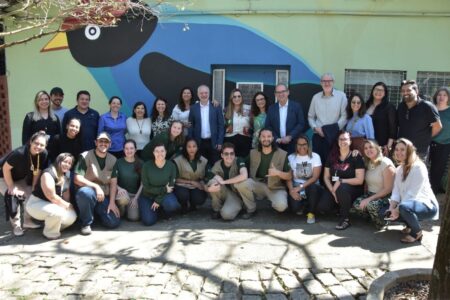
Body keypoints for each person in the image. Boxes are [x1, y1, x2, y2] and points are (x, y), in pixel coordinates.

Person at [385, 138, 439, 243]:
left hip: (427, 206)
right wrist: (391, 208)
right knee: (385, 212)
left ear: (409, 150)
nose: (398, 152)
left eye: (402, 149)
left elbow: (413, 195)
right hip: (409, 204)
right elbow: (396, 192)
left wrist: (397, 210)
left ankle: (416, 233)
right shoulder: (399, 169)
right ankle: (409, 225)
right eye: (396, 149)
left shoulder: (419, 167)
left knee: (404, 208)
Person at [0, 132, 48, 236]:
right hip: (3, 176)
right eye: (36, 143)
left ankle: (27, 221)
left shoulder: (43, 154)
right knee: (13, 196)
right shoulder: (20, 153)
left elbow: (37, 170)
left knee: (31, 194)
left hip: (19, 178)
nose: (38, 147)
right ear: (31, 142)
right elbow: (5, 169)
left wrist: (34, 186)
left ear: (45, 146)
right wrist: (11, 187)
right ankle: (16, 225)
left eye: (42, 145)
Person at [74, 132, 120, 235]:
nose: (103, 143)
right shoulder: (85, 155)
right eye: (100, 141)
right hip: (89, 193)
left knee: (113, 222)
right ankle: (86, 223)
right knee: (85, 193)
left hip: (103, 196)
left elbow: (113, 183)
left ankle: (96, 214)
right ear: (96, 142)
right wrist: (95, 186)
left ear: (110, 144)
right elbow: (77, 178)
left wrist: (112, 203)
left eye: (106, 141)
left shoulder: (113, 159)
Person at [317, 130, 365, 230]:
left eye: (345, 139)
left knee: (342, 189)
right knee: (323, 207)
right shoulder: (332, 156)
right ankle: (340, 208)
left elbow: (360, 180)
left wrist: (341, 181)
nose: (342, 141)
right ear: (337, 141)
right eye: (340, 139)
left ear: (350, 141)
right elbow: (326, 177)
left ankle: (345, 219)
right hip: (334, 188)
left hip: (352, 189)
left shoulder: (356, 156)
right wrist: (332, 190)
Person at [25, 153, 77, 240]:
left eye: (69, 163)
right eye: (65, 162)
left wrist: (68, 204)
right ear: (58, 161)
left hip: (53, 204)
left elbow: (66, 192)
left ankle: (52, 225)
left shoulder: (66, 174)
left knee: (72, 216)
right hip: (36, 203)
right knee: (57, 212)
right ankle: (50, 233)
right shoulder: (48, 173)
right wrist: (66, 205)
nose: (67, 165)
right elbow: (51, 196)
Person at [206, 143, 256, 220]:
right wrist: (215, 177)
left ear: (234, 154)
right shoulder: (218, 164)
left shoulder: (239, 160)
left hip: (238, 195)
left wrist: (224, 182)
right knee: (213, 182)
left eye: (231, 153)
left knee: (227, 216)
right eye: (226, 154)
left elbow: (244, 175)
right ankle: (217, 210)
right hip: (227, 193)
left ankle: (240, 206)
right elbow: (209, 175)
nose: (229, 156)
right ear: (222, 155)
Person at [352, 139, 395, 229]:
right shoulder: (368, 162)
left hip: (386, 196)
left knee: (371, 205)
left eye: (371, 147)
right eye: (366, 148)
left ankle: (382, 222)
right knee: (356, 204)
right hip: (371, 194)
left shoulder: (385, 163)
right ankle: (372, 218)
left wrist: (369, 199)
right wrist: (356, 152)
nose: (368, 150)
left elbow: (388, 189)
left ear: (377, 148)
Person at [248, 128, 291, 213]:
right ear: (259, 138)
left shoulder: (283, 154)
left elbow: (289, 175)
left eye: (269, 136)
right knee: (242, 183)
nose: (266, 139)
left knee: (281, 206)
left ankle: (272, 200)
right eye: (263, 136)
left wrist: (278, 173)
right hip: (259, 185)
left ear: (273, 138)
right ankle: (250, 208)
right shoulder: (252, 153)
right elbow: (240, 163)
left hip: (276, 187)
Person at [308, 73, 347, 164]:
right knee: (318, 163)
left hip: (335, 137)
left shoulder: (341, 96)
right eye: (324, 81)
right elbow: (310, 117)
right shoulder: (315, 97)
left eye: (329, 81)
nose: (326, 83)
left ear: (333, 82)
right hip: (319, 136)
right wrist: (315, 128)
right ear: (321, 83)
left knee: (334, 163)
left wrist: (332, 130)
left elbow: (345, 116)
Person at [397, 80, 442, 160]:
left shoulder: (427, 107)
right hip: (402, 151)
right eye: (403, 91)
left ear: (416, 91)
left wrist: (424, 137)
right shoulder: (401, 107)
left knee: (417, 172)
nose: (405, 93)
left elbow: (437, 126)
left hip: (419, 151)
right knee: (401, 172)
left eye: (408, 90)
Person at [140, 142, 181, 226]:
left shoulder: (171, 166)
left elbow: (171, 186)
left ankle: (162, 209)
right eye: (157, 151)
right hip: (148, 196)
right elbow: (146, 187)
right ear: (153, 153)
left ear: (166, 152)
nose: (160, 153)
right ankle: (156, 211)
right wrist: (164, 189)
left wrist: (158, 199)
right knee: (148, 221)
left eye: (162, 151)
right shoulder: (146, 166)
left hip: (164, 195)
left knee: (172, 204)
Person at [287, 135, 322, 224]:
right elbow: (288, 177)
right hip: (296, 186)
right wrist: (291, 190)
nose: (302, 147)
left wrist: (301, 187)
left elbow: (315, 177)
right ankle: (305, 204)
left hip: (311, 186)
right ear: (296, 145)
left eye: (304, 144)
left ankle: (311, 213)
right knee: (295, 208)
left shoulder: (315, 156)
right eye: (299, 144)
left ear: (308, 145)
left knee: (312, 188)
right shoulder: (291, 157)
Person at [188, 84, 224, 165]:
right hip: (199, 142)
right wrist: (191, 141)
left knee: (215, 164)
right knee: (201, 165)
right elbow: (190, 126)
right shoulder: (193, 108)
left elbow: (221, 125)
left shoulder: (216, 106)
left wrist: (220, 142)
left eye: (206, 93)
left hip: (214, 142)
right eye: (201, 93)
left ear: (209, 93)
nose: (204, 95)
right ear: (198, 94)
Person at [109, 139, 143, 221]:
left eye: (131, 148)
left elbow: (143, 183)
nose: (129, 151)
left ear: (135, 149)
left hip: (134, 195)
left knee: (134, 218)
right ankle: (121, 211)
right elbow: (112, 180)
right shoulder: (118, 162)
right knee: (124, 199)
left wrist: (136, 198)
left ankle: (129, 209)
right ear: (123, 150)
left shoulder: (141, 163)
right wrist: (119, 188)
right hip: (122, 193)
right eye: (126, 148)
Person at [265, 84, 304, 153]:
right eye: (278, 92)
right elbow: (268, 126)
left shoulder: (296, 106)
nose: (281, 94)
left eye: (283, 91)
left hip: (293, 144)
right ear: (275, 94)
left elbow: (301, 124)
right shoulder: (271, 108)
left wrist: (290, 136)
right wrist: (277, 138)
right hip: (277, 145)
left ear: (288, 92)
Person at [173, 138, 208, 213]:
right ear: (185, 148)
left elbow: (207, 176)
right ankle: (184, 204)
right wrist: (191, 182)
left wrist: (202, 184)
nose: (192, 149)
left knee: (199, 199)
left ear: (197, 147)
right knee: (183, 195)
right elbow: (175, 178)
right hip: (182, 184)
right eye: (189, 147)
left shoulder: (203, 160)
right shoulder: (178, 160)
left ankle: (193, 204)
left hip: (196, 185)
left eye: (194, 146)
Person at [22, 91, 61, 158]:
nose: (44, 101)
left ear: (49, 101)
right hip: (36, 154)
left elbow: (59, 136)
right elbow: (25, 138)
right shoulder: (30, 117)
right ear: (37, 102)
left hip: (53, 154)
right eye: (41, 99)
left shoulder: (55, 118)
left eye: (46, 99)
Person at [365, 82, 397, 156]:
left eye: (381, 90)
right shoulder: (366, 105)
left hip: (382, 145)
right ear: (372, 91)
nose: (378, 92)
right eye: (376, 89)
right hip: (367, 145)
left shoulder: (389, 107)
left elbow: (393, 128)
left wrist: (388, 146)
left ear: (385, 93)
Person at [429, 87, 450, 193]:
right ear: (436, 96)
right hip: (427, 143)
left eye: (444, 95)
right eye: (439, 95)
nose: (441, 97)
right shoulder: (430, 108)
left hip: (444, 145)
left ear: (448, 98)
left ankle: (433, 193)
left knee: (437, 171)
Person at [224, 89, 252, 157]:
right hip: (230, 140)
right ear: (231, 98)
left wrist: (249, 130)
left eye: (239, 96)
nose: (237, 98)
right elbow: (222, 126)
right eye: (234, 96)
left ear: (242, 97)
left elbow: (253, 124)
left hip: (245, 140)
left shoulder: (248, 108)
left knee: (244, 163)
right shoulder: (226, 110)